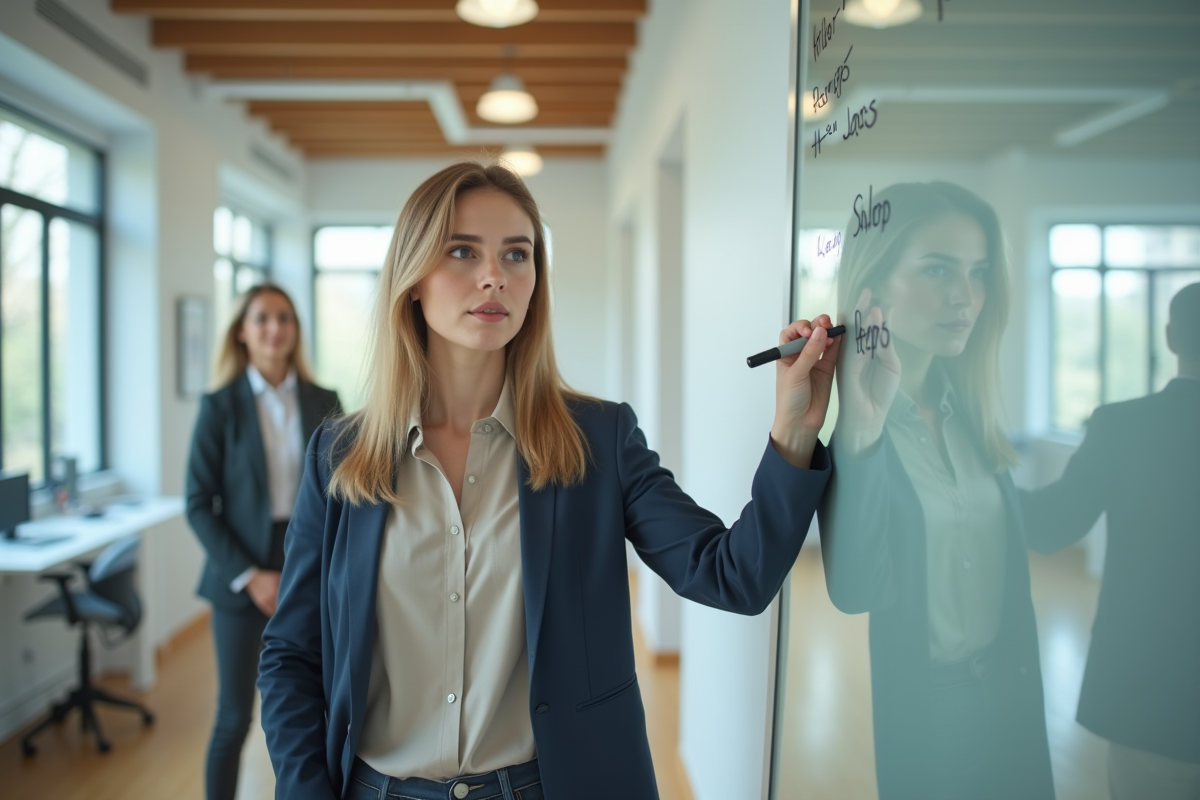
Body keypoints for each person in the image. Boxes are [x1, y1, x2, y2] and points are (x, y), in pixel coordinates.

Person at [257, 162, 839, 800]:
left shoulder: (598, 441)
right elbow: (291, 654)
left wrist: (793, 432)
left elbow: (734, 574)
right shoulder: (338, 457)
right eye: (462, 251)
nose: (494, 276)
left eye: (517, 254)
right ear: (413, 280)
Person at [818, 182, 1055, 799]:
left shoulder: (974, 417)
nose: (965, 297)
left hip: (1014, 690)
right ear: (872, 286)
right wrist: (864, 431)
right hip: (932, 705)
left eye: (977, 273)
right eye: (937, 269)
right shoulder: (858, 431)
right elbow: (856, 589)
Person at [1022, 282, 1200, 800]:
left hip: (1152, 692)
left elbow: (1052, 524)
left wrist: (975, 481)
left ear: (1170, 337)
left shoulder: (1123, 426)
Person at [186, 284, 343, 800]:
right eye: (261, 319)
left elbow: (340, 492)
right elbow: (197, 501)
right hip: (239, 570)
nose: (274, 328)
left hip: (310, 561)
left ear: (295, 330)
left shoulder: (326, 401)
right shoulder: (220, 406)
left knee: (316, 706)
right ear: (242, 332)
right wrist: (251, 576)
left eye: (284, 318)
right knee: (233, 717)